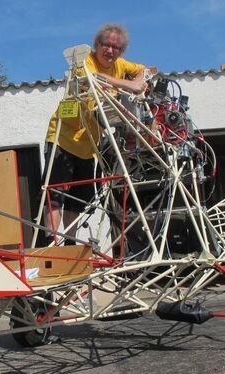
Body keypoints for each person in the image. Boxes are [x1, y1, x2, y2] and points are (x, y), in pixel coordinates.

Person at [41, 23, 147, 246]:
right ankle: (51, 242)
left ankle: (69, 244)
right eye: (106, 45)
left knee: (78, 197)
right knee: (56, 193)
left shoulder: (120, 65)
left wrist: (137, 82)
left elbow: (141, 70)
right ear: (97, 45)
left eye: (116, 47)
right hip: (64, 137)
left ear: (121, 51)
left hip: (89, 145)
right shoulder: (84, 60)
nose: (110, 51)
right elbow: (93, 80)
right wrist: (130, 86)